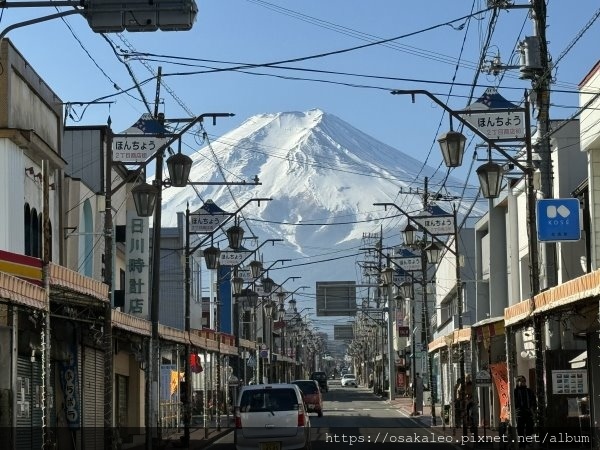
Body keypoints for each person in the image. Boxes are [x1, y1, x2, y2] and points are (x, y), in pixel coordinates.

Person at [514, 375, 536, 447]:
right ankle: (522, 443)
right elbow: (512, 402)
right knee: (520, 429)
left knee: (530, 427)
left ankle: (528, 441)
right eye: (519, 381)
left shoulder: (529, 391)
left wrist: (533, 411)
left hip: (528, 411)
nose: (522, 382)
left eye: (523, 381)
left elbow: (533, 401)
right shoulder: (515, 392)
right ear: (517, 382)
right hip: (519, 412)